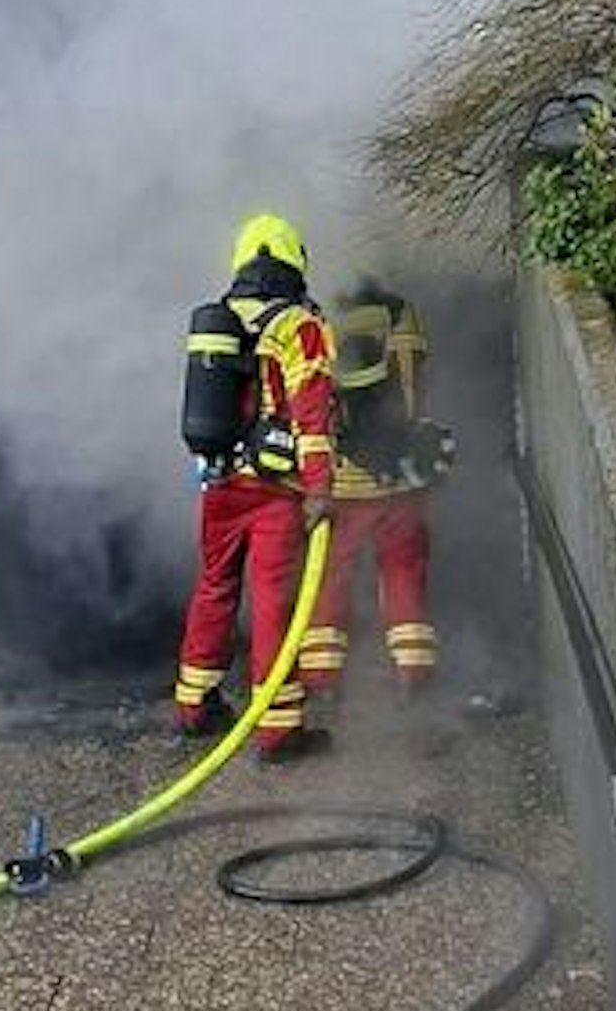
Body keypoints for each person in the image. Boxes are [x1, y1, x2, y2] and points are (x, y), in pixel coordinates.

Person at [171, 214, 338, 763]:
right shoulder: (298, 325)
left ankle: (195, 704)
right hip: (276, 489)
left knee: (215, 586)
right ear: (294, 263)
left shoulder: (220, 320)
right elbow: (312, 412)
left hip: (218, 483)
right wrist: (320, 489)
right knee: (273, 601)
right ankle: (278, 731)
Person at [298, 278, 453, 706]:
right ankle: (414, 669)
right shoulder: (400, 313)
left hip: (342, 479)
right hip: (400, 477)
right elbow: (414, 385)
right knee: (403, 569)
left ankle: (321, 675)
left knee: (331, 576)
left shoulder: (316, 317)